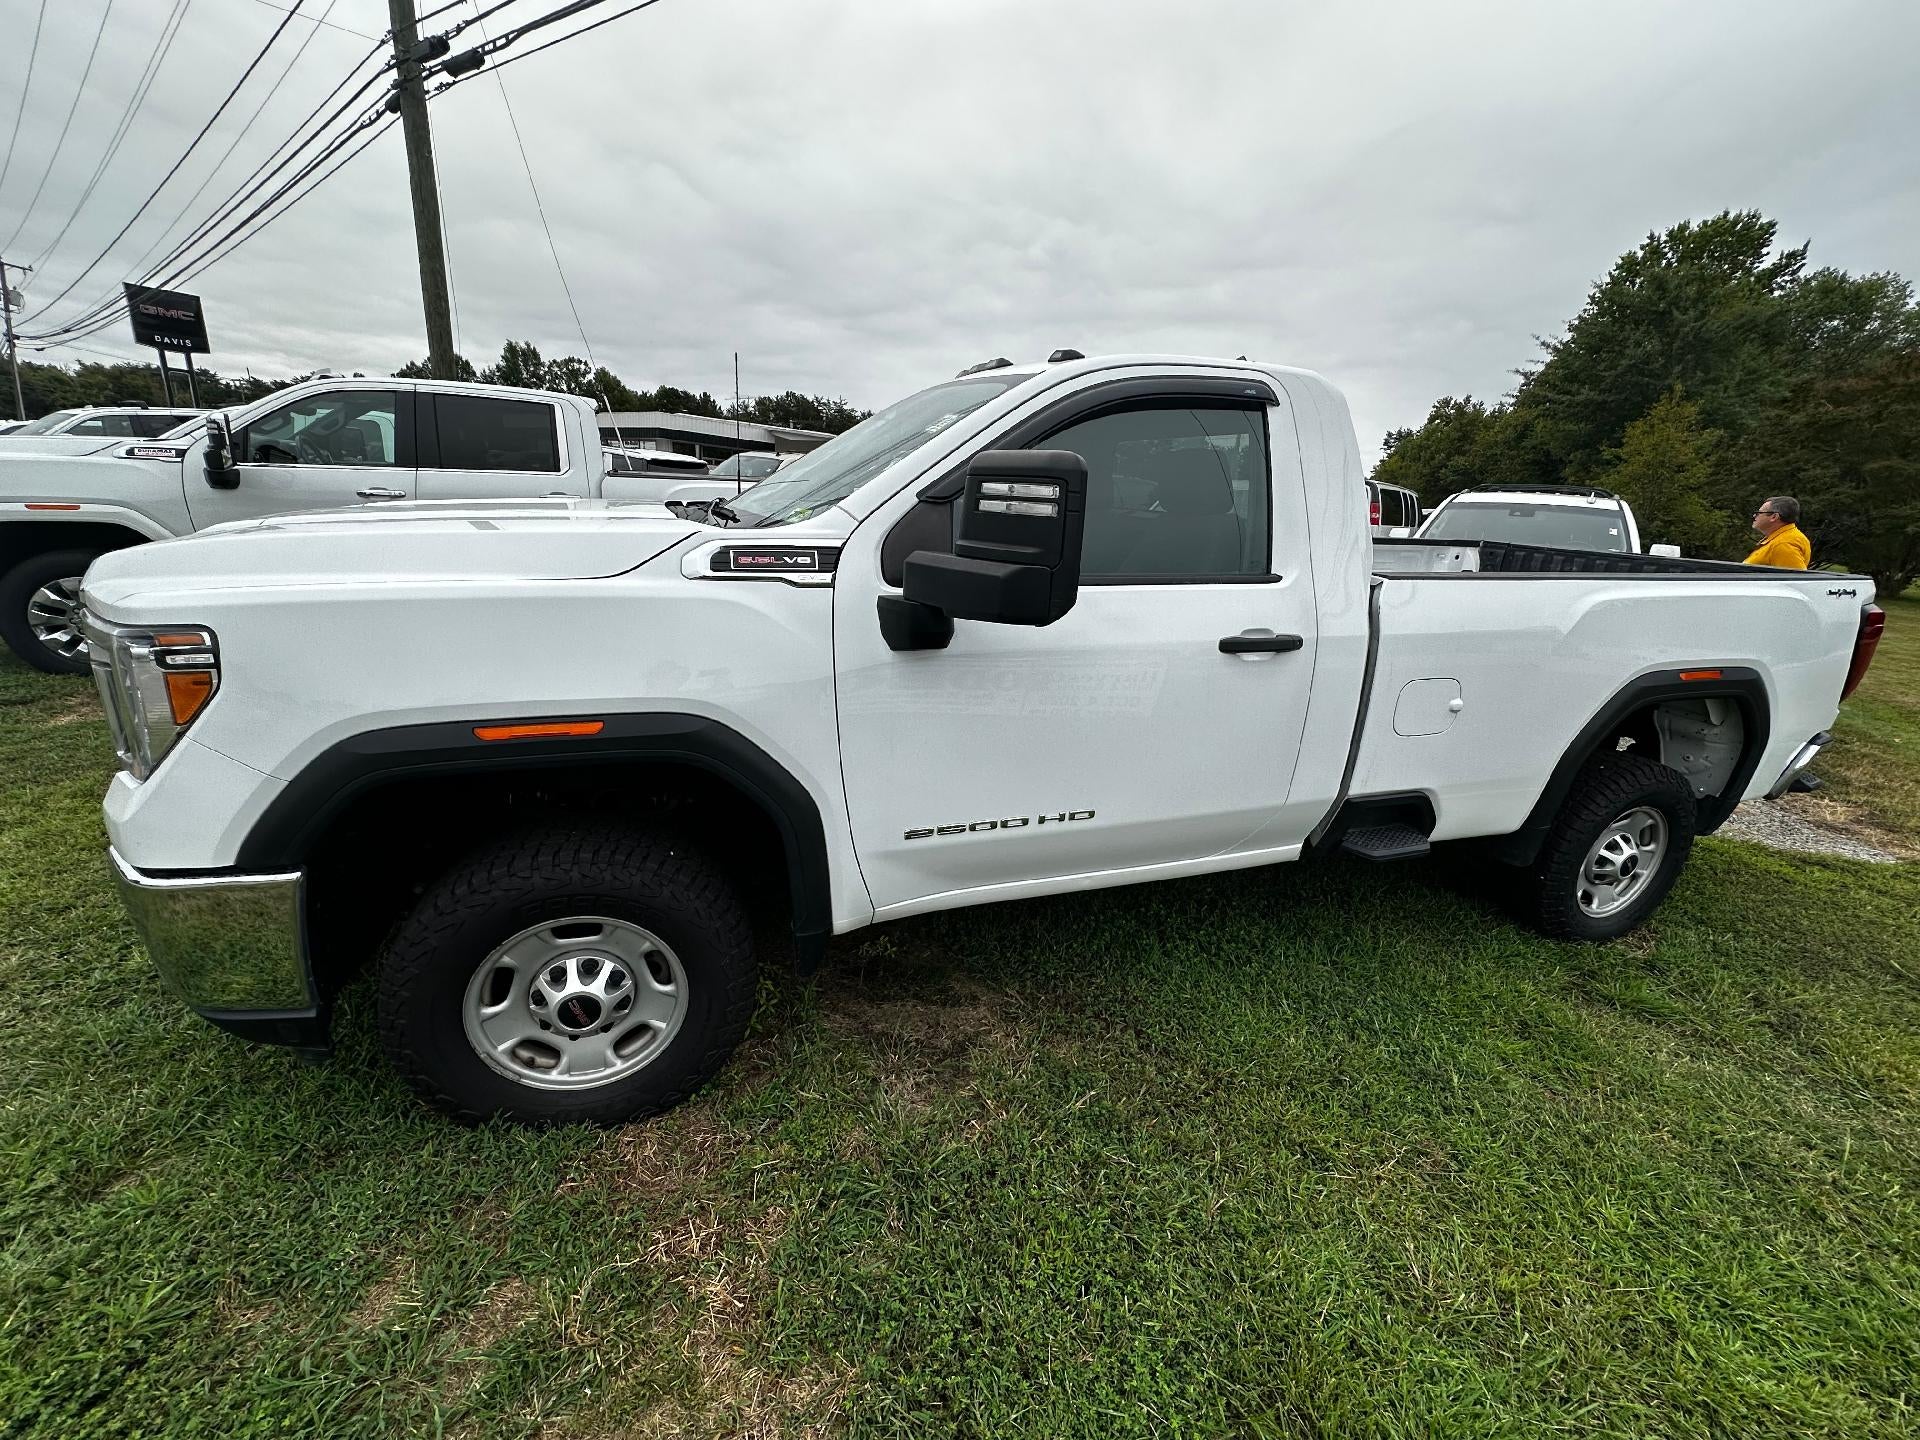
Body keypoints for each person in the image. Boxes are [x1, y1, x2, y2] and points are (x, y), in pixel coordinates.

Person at [1744, 496, 1811, 569]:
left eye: (1759, 513)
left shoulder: (1783, 544)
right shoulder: (1782, 538)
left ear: (1774, 517)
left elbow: (1794, 578)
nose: (1754, 515)